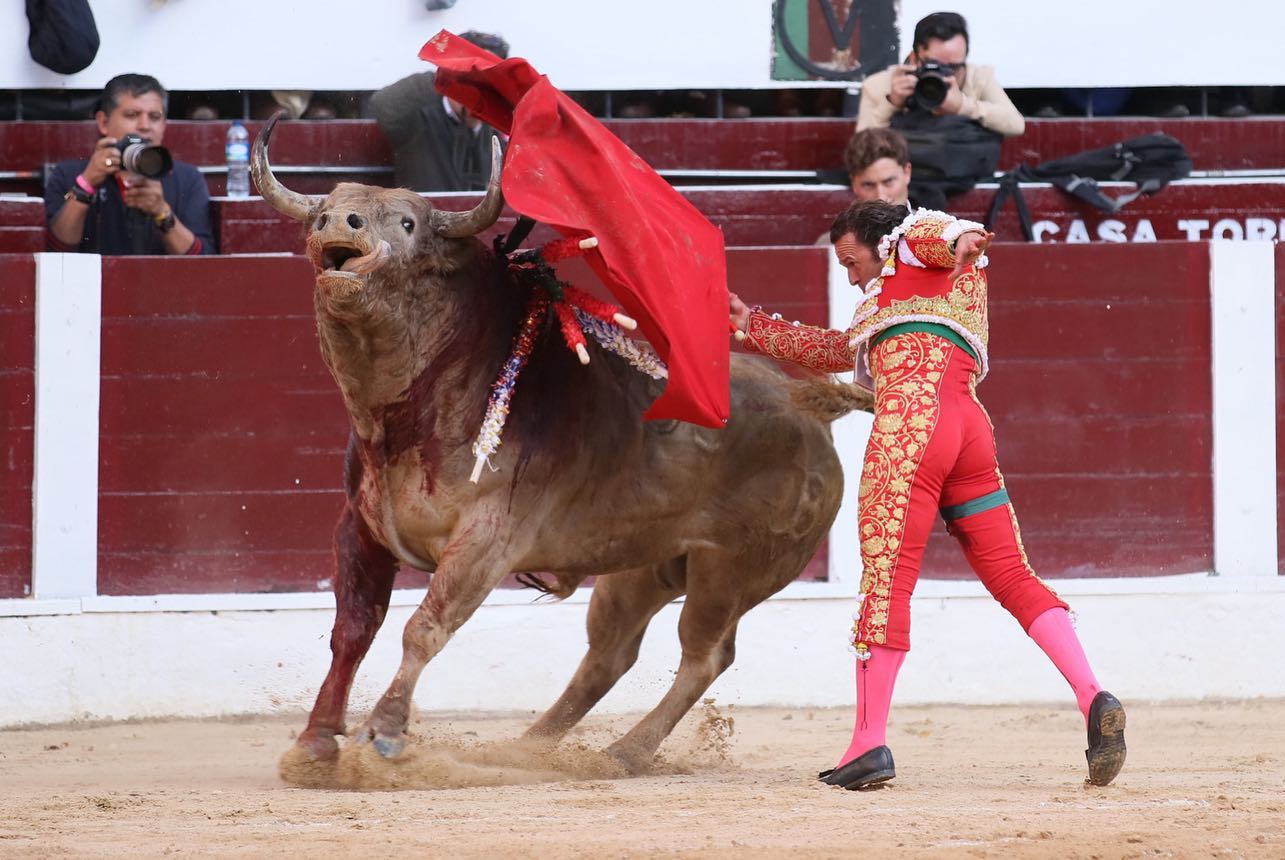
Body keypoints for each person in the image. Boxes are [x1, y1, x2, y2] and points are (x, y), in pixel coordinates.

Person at [729, 201, 1126, 791]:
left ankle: (868, 744)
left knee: (887, 581)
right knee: (1012, 574)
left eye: (850, 259)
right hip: (969, 430)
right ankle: (1093, 695)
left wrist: (963, 238)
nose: (851, 273)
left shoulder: (912, 238)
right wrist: (749, 322)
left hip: (912, 428)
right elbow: (839, 352)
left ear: (878, 240)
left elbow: (941, 233)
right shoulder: (896, 292)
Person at [44, 73, 215, 255]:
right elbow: (57, 252)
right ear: (103, 122)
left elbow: (202, 259)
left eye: (155, 117)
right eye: (132, 115)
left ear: (164, 125)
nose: (145, 126)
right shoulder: (70, 174)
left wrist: (162, 212)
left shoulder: (187, 178)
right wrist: (85, 185)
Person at [368, 30, 510, 192]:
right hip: (427, 216)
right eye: (470, 74)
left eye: (488, 78)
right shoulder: (417, 120)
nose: (479, 88)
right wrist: (444, 79)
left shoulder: (497, 134)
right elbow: (382, 103)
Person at [856, 11, 1024, 137]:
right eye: (934, 65)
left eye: (953, 67)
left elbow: (1016, 125)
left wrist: (963, 106)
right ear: (914, 58)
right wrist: (892, 103)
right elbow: (862, 147)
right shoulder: (880, 85)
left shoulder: (977, 77)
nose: (944, 75)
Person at [845, 127, 912, 206]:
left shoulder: (928, 218)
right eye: (868, 185)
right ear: (853, 184)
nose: (881, 198)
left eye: (889, 181)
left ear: (907, 173)